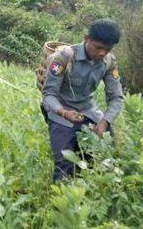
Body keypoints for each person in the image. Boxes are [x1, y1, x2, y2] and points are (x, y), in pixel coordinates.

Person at [42, 19, 124, 182]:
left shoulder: (109, 62)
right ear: (87, 39)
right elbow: (48, 95)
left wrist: (105, 122)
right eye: (98, 47)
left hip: (89, 111)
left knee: (105, 155)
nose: (102, 53)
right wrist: (64, 112)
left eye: (107, 49)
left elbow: (116, 98)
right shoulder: (62, 58)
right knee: (64, 164)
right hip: (61, 112)